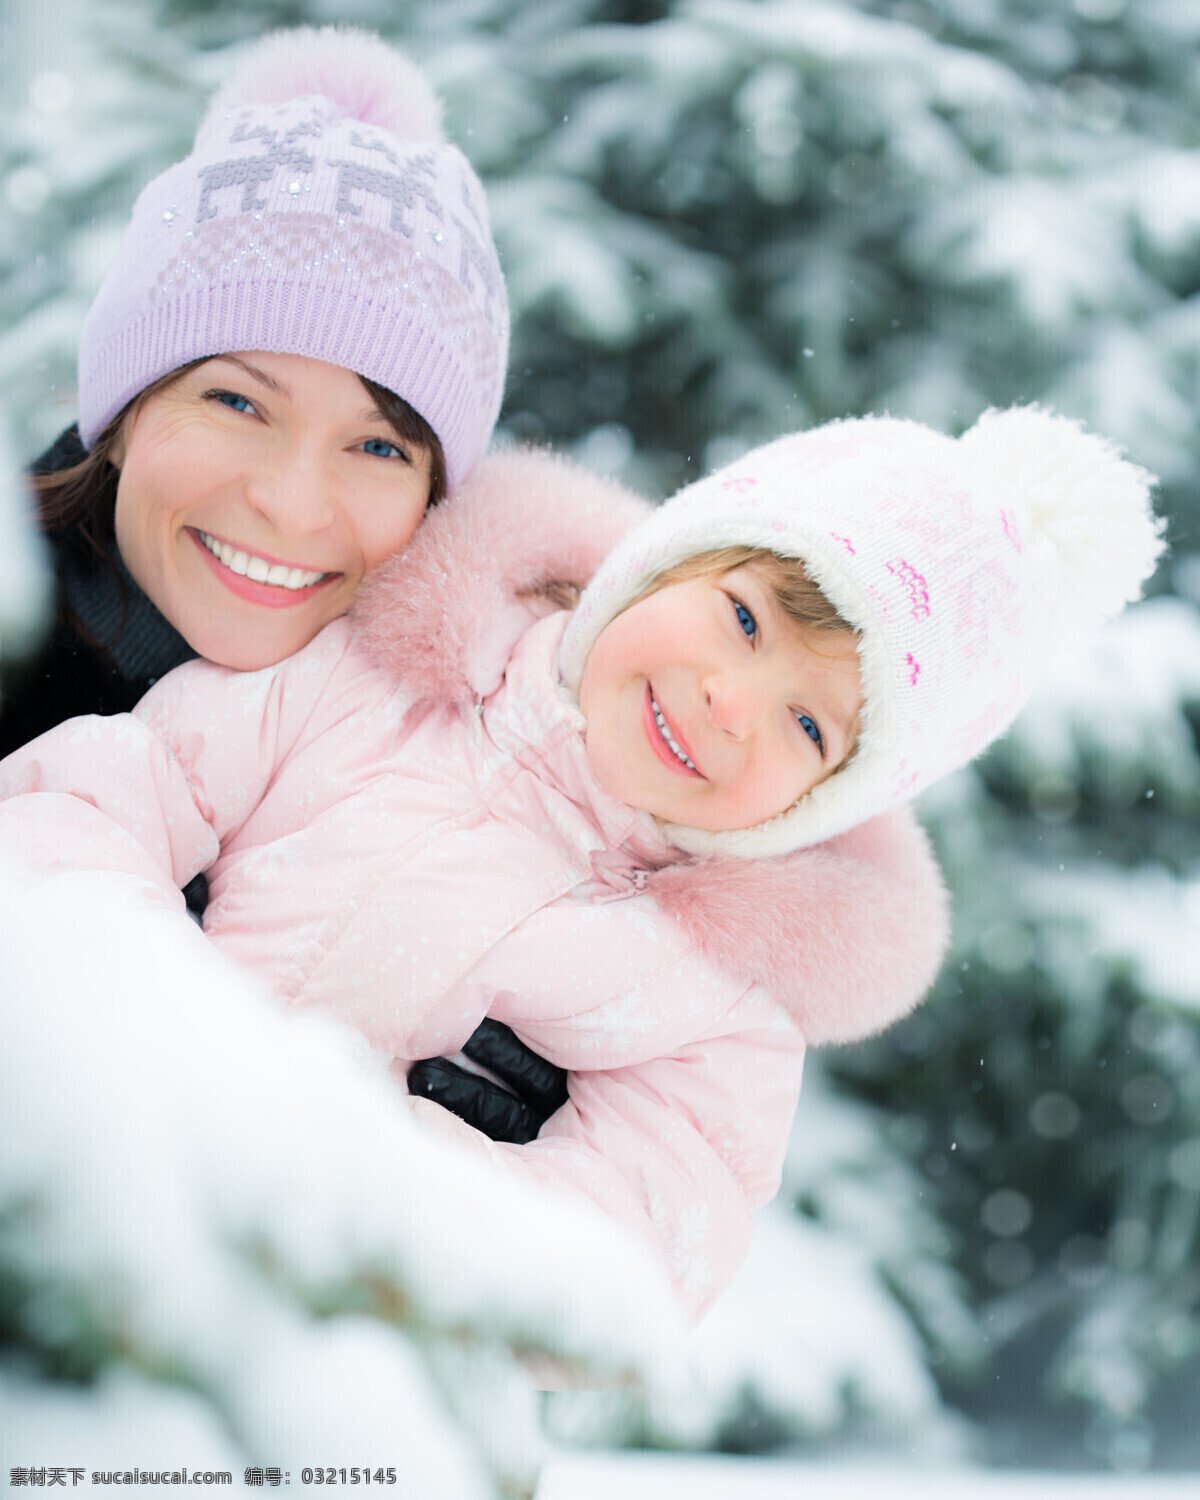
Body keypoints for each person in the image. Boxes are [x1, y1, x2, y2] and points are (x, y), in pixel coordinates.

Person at [0, 406, 1162, 1318]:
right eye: (745, 621)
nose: (730, 702)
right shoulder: (376, 676)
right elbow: (110, 791)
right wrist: (134, 999)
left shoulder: (714, 992)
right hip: (84, 1143)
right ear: (660, 563)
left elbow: (649, 1230)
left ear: (832, 798)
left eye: (811, 728)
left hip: (329, 1324)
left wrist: (387, 1182)